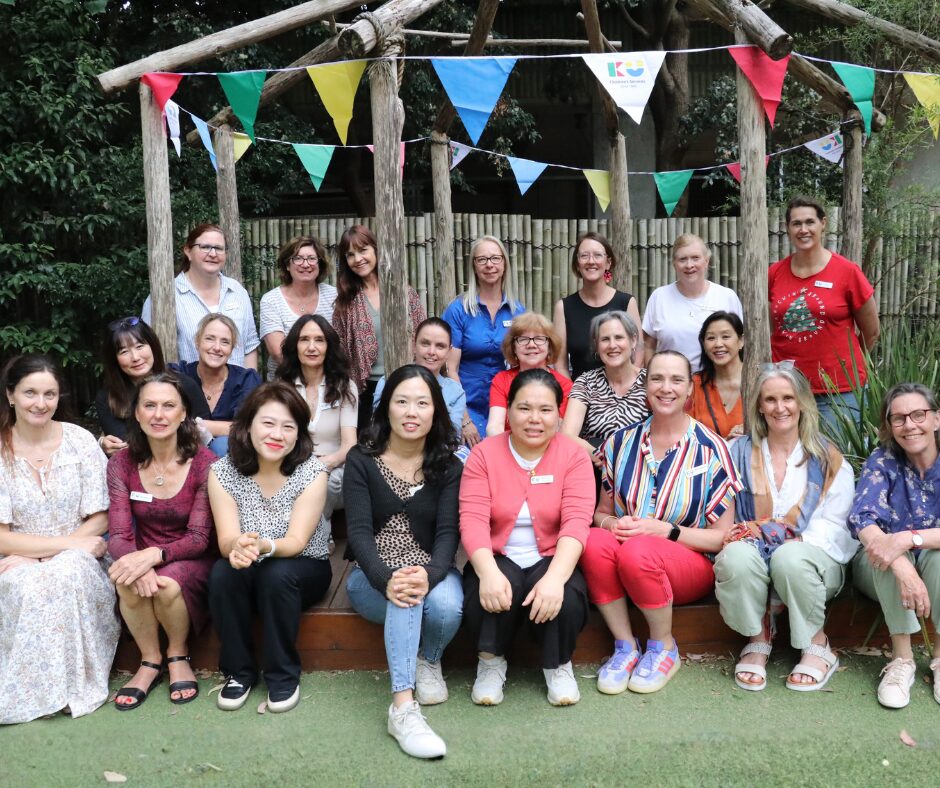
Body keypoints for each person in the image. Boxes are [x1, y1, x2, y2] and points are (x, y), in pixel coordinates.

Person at [580, 351, 742, 695]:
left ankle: (663, 647)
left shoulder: (711, 448)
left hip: (689, 563)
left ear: (689, 391)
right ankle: (625, 647)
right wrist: (612, 525)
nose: (665, 388)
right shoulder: (619, 443)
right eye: (657, 379)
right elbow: (599, 512)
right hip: (627, 554)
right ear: (645, 386)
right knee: (592, 542)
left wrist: (665, 531)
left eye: (676, 380)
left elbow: (722, 538)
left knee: (640, 549)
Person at [344, 365, 464, 759]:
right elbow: (358, 533)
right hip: (371, 577)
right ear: (385, 409)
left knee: (446, 606)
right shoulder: (361, 460)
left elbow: (448, 534)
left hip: (433, 570)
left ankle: (428, 659)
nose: (412, 412)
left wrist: (428, 575)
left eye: (422, 403)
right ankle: (402, 708)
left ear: (436, 412)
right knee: (404, 596)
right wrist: (386, 578)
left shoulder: (449, 466)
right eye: (402, 401)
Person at [714, 364, 856, 692]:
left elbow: (839, 525)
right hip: (754, 559)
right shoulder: (737, 452)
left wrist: (789, 540)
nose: (780, 408)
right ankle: (758, 635)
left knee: (790, 557)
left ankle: (817, 643)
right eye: (771, 399)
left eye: (788, 398)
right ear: (759, 406)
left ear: (802, 402)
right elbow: (725, 513)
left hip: (812, 565)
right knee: (735, 556)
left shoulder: (828, 457)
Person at [460, 368, 594, 707]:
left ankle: (558, 665)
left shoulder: (574, 455)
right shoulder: (484, 454)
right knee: (488, 590)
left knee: (566, 594)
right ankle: (490, 662)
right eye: (524, 408)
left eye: (545, 410)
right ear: (509, 409)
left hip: (550, 553)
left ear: (559, 415)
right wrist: (488, 573)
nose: (535, 419)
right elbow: (473, 520)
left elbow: (577, 522)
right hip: (497, 554)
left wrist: (555, 578)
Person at [0, 355, 119, 724]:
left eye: (49, 394)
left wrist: (62, 551)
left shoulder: (80, 441)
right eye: (30, 392)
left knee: (67, 573)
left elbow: (101, 515)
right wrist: (59, 548)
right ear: (10, 395)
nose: (41, 403)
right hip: (17, 558)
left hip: (83, 555)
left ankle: (72, 686)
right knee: (28, 584)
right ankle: (35, 690)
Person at [208, 382, 332, 714]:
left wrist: (263, 546)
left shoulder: (312, 472)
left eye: (288, 427)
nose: (277, 434)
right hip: (250, 564)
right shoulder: (222, 472)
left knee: (275, 575)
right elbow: (225, 540)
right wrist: (238, 547)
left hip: (305, 566)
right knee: (223, 572)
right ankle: (238, 671)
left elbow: (296, 542)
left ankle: (282, 675)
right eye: (268, 423)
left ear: (298, 435)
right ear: (248, 426)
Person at [107, 373, 217, 709]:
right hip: (142, 555)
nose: (159, 414)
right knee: (126, 580)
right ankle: (149, 660)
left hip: (192, 557)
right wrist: (136, 564)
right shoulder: (121, 464)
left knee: (168, 584)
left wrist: (152, 557)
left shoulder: (205, 465)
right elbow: (119, 535)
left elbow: (199, 538)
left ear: (183, 413)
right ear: (136, 414)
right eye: (149, 405)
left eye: (168, 406)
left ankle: (177, 654)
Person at [849, 383, 940, 709]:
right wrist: (902, 562)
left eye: (918, 414)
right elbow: (863, 520)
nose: (910, 424)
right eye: (899, 418)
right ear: (889, 426)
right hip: (877, 572)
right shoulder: (882, 460)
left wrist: (907, 538)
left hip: (930, 561)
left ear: (936, 419)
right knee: (882, 554)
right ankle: (902, 660)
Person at [769, 196, 880, 425]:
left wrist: (843, 364)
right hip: (788, 390)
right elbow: (771, 328)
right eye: (796, 224)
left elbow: (872, 331)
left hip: (839, 392)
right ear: (787, 228)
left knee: (837, 459)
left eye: (810, 222)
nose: (803, 229)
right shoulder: (774, 273)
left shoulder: (847, 272)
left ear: (823, 224)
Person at [332, 224, 426, 431]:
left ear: (375, 249)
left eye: (363, 250)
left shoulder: (403, 293)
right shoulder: (344, 303)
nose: (358, 259)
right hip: (364, 390)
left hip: (406, 381)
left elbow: (422, 335)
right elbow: (338, 353)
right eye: (350, 254)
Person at [275, 314, 357, 530]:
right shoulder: (282, 386)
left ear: (329, 346)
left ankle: (319, 531)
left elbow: (350, 446)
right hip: (291, 463)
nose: (312, 347)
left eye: (319, 340)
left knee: (327, 481)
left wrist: (322, 464)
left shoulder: (345, 386)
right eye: (304, 339)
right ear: (295, 345)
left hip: (334, 469)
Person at [442, 235, 526, 444]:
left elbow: (525, 365)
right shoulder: (458, 310)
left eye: (495, 258)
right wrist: (465, 420)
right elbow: (449, 369)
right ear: (474, 266)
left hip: (505, 407)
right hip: (465, 406)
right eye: (482, 260)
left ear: (504, 264)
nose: (490, 265)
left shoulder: (517, 311)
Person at [142, 223, 260, 369]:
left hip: (237, 389)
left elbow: (249, 347)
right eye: (205, 247)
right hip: (186, 388)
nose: (212, 254)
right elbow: (148, 351)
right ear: (188, 251)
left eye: (218, 248)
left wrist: (250, 387)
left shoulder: (237, 291)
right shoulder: (165, 296)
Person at [96, 317, 209, 457]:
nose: (135, 357)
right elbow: (125, 446)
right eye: (124, 351)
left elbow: (204, 431)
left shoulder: (184, 384)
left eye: (139, 346)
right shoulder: (108, 397)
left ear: (153, 346)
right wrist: (101, 442)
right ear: (114, 359)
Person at [643, 234, 743, 372]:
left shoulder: (726, 296)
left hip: (716, 381)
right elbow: (648, 345)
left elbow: (740, 342)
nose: (689, 265)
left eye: (695, 258)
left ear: (706, 261)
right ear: (674, 264)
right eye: (682, 259)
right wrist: (652, 378)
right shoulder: (659, 297)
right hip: (670, 384)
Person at [553, 232, 643, 380]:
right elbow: (560, 364)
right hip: (579, 396)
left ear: (608, 262)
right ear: (577, 264)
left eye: (597, 255)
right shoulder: (563, 307)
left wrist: (628, 389)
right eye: (584, 256)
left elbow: (638, 351)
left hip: (622, 394)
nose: (591, 261)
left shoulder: (626, 302)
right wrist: (576, 395)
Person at [561, 310, 648, 457]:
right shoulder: (586, 382)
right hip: (597, 466)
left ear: (633, 341)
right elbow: (567, 435)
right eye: (605, 339)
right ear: (596, 345)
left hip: (643, 468)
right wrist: (605, 458)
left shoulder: (650, 381)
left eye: (619, 337)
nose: (612, 345)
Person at [172, 313, 262, 456]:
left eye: (225, 342)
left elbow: (250, 427)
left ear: (232, 348)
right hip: (183, 453)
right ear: (197, 342)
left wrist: (196, 425)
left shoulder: (246, 379)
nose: (217, 347)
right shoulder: (179, 374)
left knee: (222, 444)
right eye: (209, 339)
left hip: (233, 458)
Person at [259, 235, 338, 379]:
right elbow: (278, 353)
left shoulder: (334, 297)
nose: (305, 264)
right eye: (298, 258)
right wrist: (309, 378)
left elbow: (340, 345)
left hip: (328, 382)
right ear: (287, 265)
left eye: (312, 258)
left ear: (320, 265)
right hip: (285, 384)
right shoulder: (271, 301)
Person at [373, 318, 467, 435]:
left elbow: (451, 437)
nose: (431, 351)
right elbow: (379, 429)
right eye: (425, 343)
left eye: (440, 346)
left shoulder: (455, 392)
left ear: (449, 352)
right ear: (414, 345)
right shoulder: (388, 382)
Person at [486, 313, 572, 437]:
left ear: (550, 346)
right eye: (523, 339)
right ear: (513, 347)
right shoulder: (502, 380)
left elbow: (559, 431)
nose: (531, 345)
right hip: (508, 447)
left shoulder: (565, 385)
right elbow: (494, 427)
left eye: (539, 339)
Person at [689, 311, 745, 439]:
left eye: (725, 337)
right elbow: (684, 436)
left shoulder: (760, 381)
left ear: (741, 341)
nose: (718, 344)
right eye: (711, 338)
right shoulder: (693, 386)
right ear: (703, 344)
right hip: (705, 458)